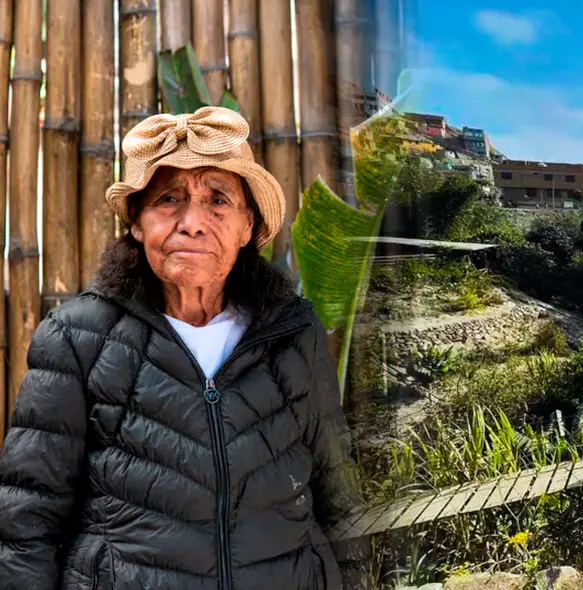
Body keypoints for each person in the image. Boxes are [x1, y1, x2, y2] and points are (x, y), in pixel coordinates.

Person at [0, 107, 369, 589]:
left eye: (218, 200)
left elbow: (339, 496)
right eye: (168, 199)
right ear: (137, 221)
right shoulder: (76, 338)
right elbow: (28, 518)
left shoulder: (293, 334)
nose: (193, 222)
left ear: (247, 227)